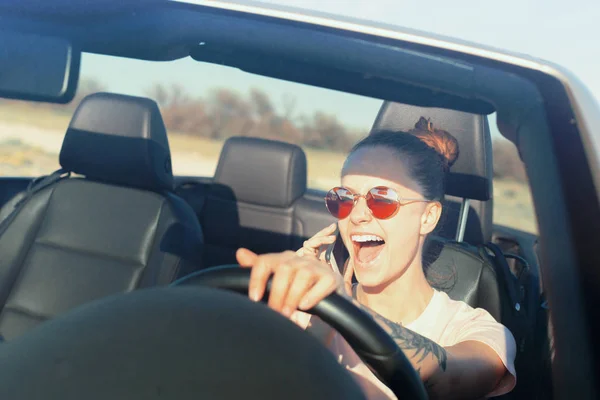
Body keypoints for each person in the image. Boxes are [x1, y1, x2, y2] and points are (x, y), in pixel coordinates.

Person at [235, 117, 517, 400]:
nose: (356, 216)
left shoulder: (477, 330)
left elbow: (451, 378)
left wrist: (340, 306)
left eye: (381, 199)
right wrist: (296, 308)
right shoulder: (302, 306)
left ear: (428, 216)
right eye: (344, 198)